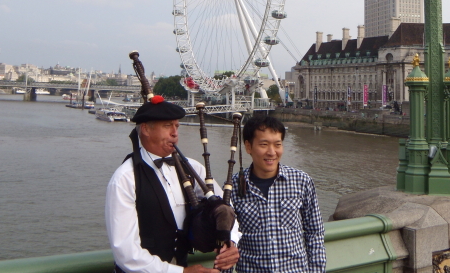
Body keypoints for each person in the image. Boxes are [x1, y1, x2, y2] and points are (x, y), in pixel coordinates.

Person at [105, 96, 239, 273]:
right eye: (167, 126)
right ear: (145, 129)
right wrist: (181, 272)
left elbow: (224, 207)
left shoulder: (192, 169)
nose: (175, 133)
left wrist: (231, 240)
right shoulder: (125, 179)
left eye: (176, 126)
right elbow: (126, 253)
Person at [231, 116, 326, 273]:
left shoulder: (301, 181)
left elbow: (314, 233)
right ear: (248, 147)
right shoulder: (234, 187)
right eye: (264, 145)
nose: (271, 152)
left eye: (277, 145)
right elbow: (228, 242)